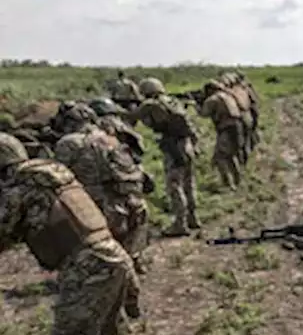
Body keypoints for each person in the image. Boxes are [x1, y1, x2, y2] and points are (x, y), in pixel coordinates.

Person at [0, 134, 137, 335]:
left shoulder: (22, 187)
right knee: (104, 334)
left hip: (87, 265)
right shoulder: (52, 177)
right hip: (112, 256)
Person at [53, 104, 149, 314]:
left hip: (103, 209)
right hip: (132, 203)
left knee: (103, 268)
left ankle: (113, 316)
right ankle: (130, 305)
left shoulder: (69, 143)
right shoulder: (109, 137)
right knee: (125, 258)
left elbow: (57, 178)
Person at [128, 77, 200, 236]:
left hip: (173, 147)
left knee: (174, 185)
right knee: (189, 182)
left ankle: (179, 224)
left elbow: (131, 117)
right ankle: (193, 218)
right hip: (186, 144)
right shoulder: (173, 102)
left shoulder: (150, 105)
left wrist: (128, 108)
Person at [199, 79, 243, 190]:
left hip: (226, 129)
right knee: (231, 155)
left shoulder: (213, 99)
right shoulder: (228, 96)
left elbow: (203, 114)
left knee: (220, 158)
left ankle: (228, 184)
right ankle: (238, 180)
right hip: (237, 127)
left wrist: (195, 105)